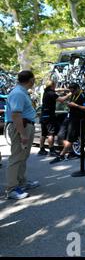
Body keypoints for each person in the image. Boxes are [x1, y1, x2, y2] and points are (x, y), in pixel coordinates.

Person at [4, 71, 40, 200]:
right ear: (30, 80)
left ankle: (21, 182)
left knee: (22, 156)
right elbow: (16, 115)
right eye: (34, 79)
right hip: (22, 126)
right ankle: (12, 189)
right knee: (16, 158)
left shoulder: (21, 92)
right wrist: (22, 133)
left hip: (25, 125)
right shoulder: (18, 93)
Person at [49, 83, 85, 164]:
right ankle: (70, 151)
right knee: (60, 135)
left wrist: (76, 105)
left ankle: (62, 155)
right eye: (70, 91)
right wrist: (69, 105)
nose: (72, 93)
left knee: (70, 138)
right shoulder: (73, 95)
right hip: (69, 117)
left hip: (77, 120)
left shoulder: (83, 95)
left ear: (78, 88)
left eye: (73, 91)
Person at [38, 80, 71, 156]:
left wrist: (65, 89)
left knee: (43, 133)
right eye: (55, 85)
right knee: (51, 134)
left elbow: (57, 90)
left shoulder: (46, 91)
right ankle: (51, 150)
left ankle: (41, 149)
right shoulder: (52, 94)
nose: (56, 86)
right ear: (52, 85)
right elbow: (62, 100)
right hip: (49, 116)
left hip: (43, 115)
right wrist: (69, 94)